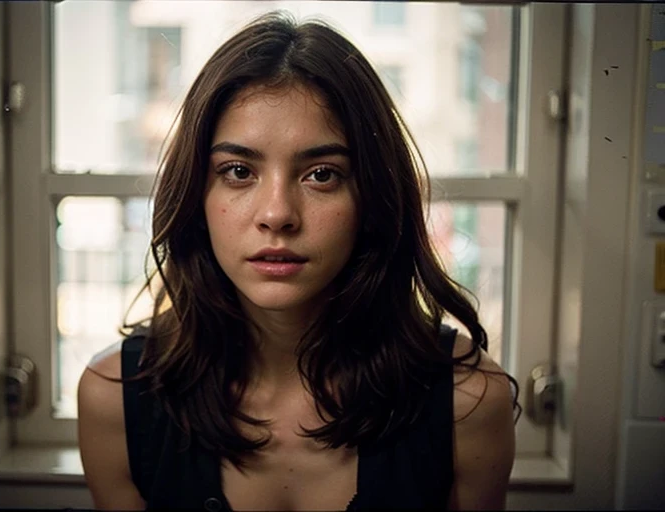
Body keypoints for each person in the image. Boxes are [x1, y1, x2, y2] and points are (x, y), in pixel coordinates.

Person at [78, 11, 518, 511]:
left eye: (322, 175)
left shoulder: (469, 402)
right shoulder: (114, 400)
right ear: (197, 195)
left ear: (372, 197)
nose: (277, 214)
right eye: (239, 171)